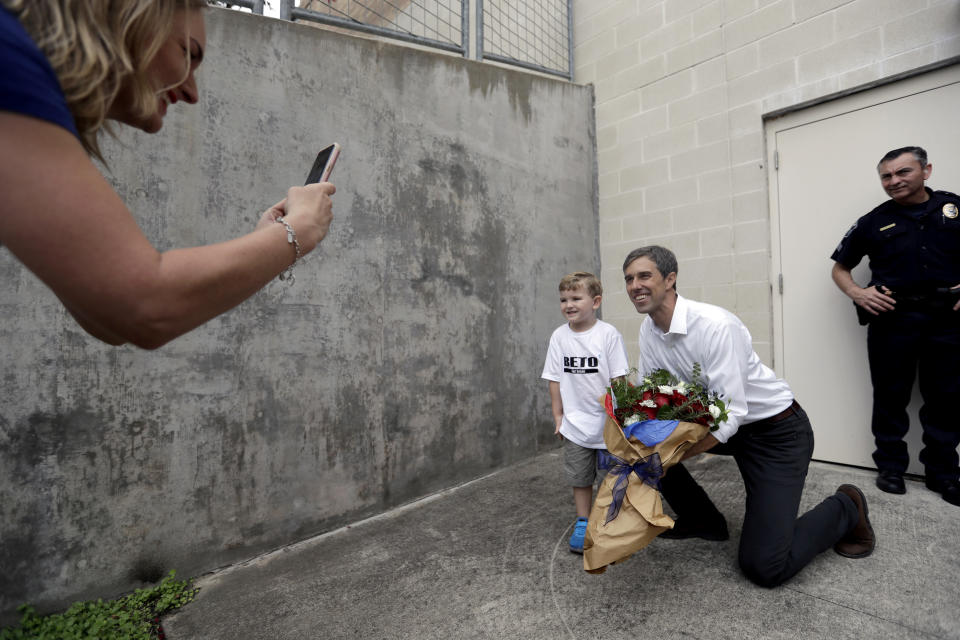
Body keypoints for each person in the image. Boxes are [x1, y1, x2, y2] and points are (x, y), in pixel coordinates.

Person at [0, 0, 336, 349]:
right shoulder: (9, 62)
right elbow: (144, 307)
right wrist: (297, 232)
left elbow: (109, 320)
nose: (191, 92)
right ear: (128, 17)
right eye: (187, 53)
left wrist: (269, 241)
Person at [622, 245, 874, 588]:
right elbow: (658, 400)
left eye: (644, 275)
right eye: (628, 279)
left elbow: (731, 414)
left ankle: (847, 507)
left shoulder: (715, 326)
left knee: (764, 567)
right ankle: (703, 520)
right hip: (727, 427)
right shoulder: (649, 330)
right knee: (643, 446)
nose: (634, 284)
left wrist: (675, 454)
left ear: (670, 278)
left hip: (777, 434)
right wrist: (630, 425)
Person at [830, 146, 960, 506]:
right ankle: (890, 468)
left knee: (946, 399)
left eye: (903, 172)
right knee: (890, 396)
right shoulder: (873, 221)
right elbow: (840, 268)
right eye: (886, 176)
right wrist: (859, 293)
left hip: (947, 319)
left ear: (926, 171)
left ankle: (943, 474)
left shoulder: (954, 208)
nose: (894, 181)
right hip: (893, 320)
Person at [541, 271, 629, 554]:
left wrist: (622, 418)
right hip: (576, 424)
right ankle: (583, 521)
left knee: (609, 477)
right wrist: (558, 416)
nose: (569, 304)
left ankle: (608, 522)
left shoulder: (608, 335)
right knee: (579, 477)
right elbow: (554, 379)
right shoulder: (559, 336)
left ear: (596, 301)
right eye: (564, 299)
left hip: (606, 424)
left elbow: (619, 379)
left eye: (576, 298)